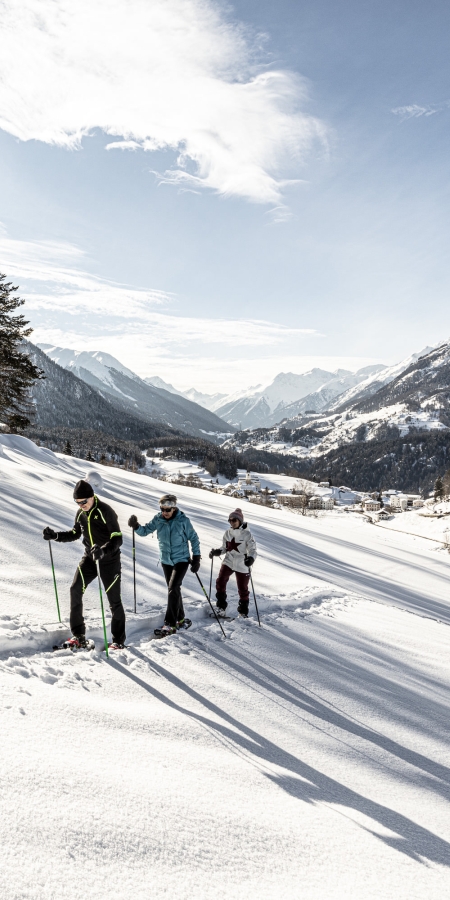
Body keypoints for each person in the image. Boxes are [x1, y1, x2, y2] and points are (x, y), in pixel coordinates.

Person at [43, 479, 126, 650]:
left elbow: (117, 538)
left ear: (92, 497)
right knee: (75, 589)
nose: (81, 505)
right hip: (90, 558)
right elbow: (75, 533)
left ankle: (118, 641)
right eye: (77, 502)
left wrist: (103, 550)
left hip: (109, 560)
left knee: (114, 601)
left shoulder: (105, 511)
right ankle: (78, 636)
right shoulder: (80, 513)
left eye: (83, 501)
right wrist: (55, 536)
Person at [128, 493, 201, 636]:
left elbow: (194, 538)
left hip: (182, 559)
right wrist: (136, 526)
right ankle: (180, 618)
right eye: (163, 509)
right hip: (166, 560)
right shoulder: (158, 519)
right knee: (174, 589)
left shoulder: (183, 521)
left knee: (173, 588)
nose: (165, 512)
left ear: (174, 508)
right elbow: (145, 531)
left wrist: (196, 558)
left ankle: (170, 623)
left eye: (168, 509)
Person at [209, 508, 257, 617]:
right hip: (229, 561)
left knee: (242, 588)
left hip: (242, 563)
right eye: (229, 520)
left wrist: (251, 559)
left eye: (234, 520)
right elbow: (225, 548)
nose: (232, 522)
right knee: (220, 582)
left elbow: (253, 550)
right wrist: (217, 552)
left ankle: (243, 612)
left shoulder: (247, 534)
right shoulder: (228, 533)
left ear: (240, 521)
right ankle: (221, 608)